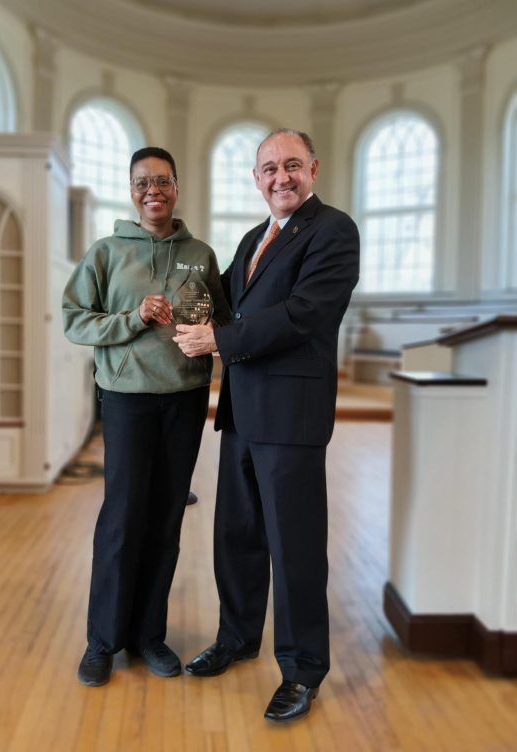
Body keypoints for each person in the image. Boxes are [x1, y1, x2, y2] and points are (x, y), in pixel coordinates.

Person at [173, 129, 359, 722]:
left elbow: (304, 314)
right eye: (270, 168)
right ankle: (237, 637)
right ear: (256, 179)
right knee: (237, 536)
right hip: (243, 414)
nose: (282, 177)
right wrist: (166, 300)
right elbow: (224, 299)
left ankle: (303, 670)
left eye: (292, 165)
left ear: (314, 169)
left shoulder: (334, 230)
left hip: (292, 418)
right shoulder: (257, 236)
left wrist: (218, 340)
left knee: (295, 547)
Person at [63, 146, 230, 687]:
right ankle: (102, 641)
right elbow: (75, 321)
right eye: (142, 182)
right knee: (122, 517)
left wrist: (213, 343)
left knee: (165, 519)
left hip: (184, 400)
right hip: (127, 398)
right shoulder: (107, 252)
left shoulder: (200, 254)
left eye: (162, 180)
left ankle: (149, 637)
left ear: (177, 188)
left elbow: (223, 322)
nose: (152, 190)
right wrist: (130, 320)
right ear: (131, 190)